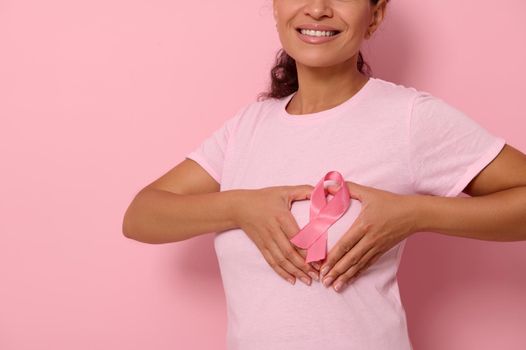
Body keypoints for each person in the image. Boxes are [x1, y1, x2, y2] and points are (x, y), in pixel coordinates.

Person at [122, 0, 526, 349]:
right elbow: (141, 215)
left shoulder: (407, 118)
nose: (317, 8)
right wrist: (240, 207)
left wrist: (415, 214)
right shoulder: (247, 128)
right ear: (276, 7)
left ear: (375, 14)